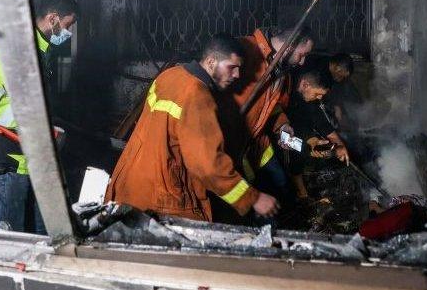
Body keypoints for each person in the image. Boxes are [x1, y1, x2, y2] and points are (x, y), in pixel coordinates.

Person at [105, 34, 279, 222]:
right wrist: (253, 198)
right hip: (162, 199)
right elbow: (208, 165)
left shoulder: (169, 76)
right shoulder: (197, 96)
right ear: (211, 61)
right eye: (232, 67)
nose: (237, 75)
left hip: (130, 185)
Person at [0, 0, 79, 233]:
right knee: (8, 242)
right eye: (68, 26)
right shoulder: (18, 50)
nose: (69, 33)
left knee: (27, 239)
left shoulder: (39, 49)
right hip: (3, 159)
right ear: (53, 18)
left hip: (21, 159)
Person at [232, 26, 315, 204]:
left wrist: (282, 125)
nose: (302, 62)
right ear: (291, 45)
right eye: (303, 54)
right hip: (234, 144)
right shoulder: (245, 49)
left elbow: (271, 105)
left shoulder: (281, 70)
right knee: (250, 199)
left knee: (280, 184)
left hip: (257, 142)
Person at [284, 68, 351, 199]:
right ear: (305, 85)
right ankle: (299, 191)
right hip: (276, 136)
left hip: (297, 135)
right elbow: (288, 127)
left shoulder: (309, 98)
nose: (320, 98)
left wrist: (339, 144)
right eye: (317, 94)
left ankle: (301, 189)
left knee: (307, 149)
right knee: (297, 150)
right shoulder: (285, 92)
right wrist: (309, 141)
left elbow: (322, 123)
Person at [325, 53, 362, 132]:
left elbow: (357, 106)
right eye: (334, 69)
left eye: (339, 70)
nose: (347, 74)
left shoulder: (348, 87)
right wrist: (336, 106)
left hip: (344, 127)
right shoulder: (325, 77)